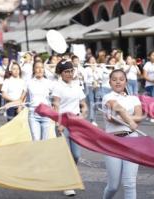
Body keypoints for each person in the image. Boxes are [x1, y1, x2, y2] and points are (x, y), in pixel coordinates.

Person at [102, 69, 143, 199]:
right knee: (113, 185)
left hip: (132, 140)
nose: (118, 82)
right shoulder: (107, 97)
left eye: (121, 79)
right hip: (112, 142)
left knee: (130, 183)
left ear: (126, 81)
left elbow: (139, 116)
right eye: (114, 79)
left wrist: (125, 119)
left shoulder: (134, 98)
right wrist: (130, 120)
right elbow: (117, 108)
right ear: (110, 82)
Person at [53, 60, 88, 197]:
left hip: (75, 122)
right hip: (62, 123)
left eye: (71, 71)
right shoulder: (57, 86)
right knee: (66, 154)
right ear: (60, 73)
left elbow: (83, 104)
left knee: (76, 155)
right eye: (66, 71)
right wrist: (59, 123)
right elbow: (56, 105)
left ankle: (68, 176)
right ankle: (68, 184)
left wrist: (83, 115)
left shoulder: (77, 85)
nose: (69, 74)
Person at [25, 61, 55, 141]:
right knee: (36, 140)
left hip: (46, 114)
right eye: (37, 68)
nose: (40, 70)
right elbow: (21, 98)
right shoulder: (29, 82)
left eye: (42, 67)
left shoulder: (49, 83)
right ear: (34, 70)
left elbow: (57, 97)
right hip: (33, 114)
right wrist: (10, 103)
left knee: (44, 141)